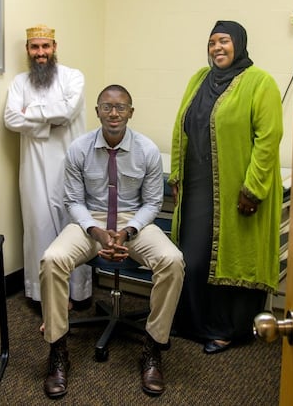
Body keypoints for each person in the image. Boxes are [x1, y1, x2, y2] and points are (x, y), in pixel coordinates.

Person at [40, 85, 185, 398]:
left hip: (133, 222)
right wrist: (96, 230)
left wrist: (128, 230)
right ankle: (57, 349)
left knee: (172, 261)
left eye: (121, 107)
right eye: (107, 107)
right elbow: (73, 200)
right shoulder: (79, 149)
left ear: (131, 112)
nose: (114, 113)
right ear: (97, 112)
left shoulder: (146, 150)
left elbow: (152, 203)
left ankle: (153, 346)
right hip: (89, 223)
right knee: (52, 260)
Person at [168, 20, 283, 354]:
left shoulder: (261, 83)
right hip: (197, 185)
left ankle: (225, 329)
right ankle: (191, 322)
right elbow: (180, 128)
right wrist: (176, 175)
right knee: (194, 256)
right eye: (212, 43)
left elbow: (269, 138)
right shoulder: (198, 79)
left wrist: (254, 188)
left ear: (239, 44)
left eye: (224, 41)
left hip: (237, 188)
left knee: (230, 258)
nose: (217, 48)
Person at [4, 24, 92, 305]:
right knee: (38, 227)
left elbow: (67, 112)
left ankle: (77, 292)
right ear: (28, 51)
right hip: (34, 167)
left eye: (45, 47)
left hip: (70, 164)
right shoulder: (19, 82)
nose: (40, 53)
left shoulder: (73, 77)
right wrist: (47, 123)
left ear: (54, 48)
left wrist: (30, 114)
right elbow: (10, 120)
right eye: (34, 47)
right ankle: (43, 295)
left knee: (73, 227)